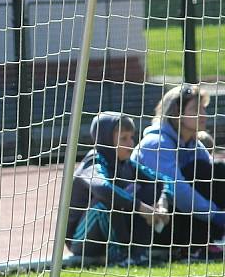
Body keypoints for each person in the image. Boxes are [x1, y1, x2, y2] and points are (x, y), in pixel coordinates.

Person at [65, 112, 171, 266]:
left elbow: (163, 181)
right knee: (106, 202)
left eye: (131, 137)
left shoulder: (127, 164)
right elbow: (103, 188)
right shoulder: (94, 161)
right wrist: (140, 207)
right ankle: (119, 257)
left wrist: (162, 202)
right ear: (106, 140)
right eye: (123, 139)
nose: (130, 144)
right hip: (83, 240)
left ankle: (138, 254)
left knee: (150, 189)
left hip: (114, 235)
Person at [132, 84, 225, 259]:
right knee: (200, 173)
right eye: (195, 109)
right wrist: (215, 216)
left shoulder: (193, 144)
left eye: (204, 108)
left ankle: (208, 242)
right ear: (176, 113)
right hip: (152, 226)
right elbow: (177, 192)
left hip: (178, 219)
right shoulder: (156, 143)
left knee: (217, 171)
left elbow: (216, 179)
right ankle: (195, 246)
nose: (203, 115)